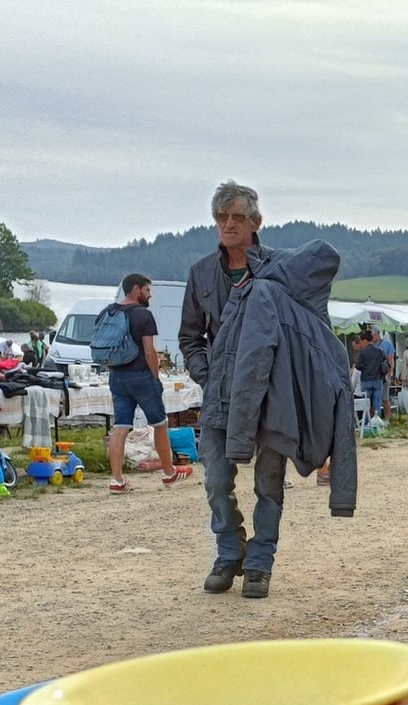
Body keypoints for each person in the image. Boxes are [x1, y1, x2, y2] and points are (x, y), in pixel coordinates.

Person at [180, 179, 283, 599]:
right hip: (220, 394)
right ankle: (229, 550)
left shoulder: (278, 270)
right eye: (222, 217)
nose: (229, 225)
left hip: (271, 395)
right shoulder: (201, 273)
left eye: (237, 217)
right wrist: (207, 373)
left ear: (256, 222)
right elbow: (189, 337)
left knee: (269, 483)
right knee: (217, 479)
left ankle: (260, 563)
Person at [105, 273, 187, 494]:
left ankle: (117, 480)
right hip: (141, 375)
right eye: (147, 290)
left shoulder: (109, 312)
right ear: (135, 289)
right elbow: (150, 351)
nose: (149, 294)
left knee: (120, 427)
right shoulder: (143, 315)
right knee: (159, 423)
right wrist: (156, 377)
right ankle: (169, 473)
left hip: (116, 376)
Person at [355, 327, 391, 424]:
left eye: (362, 341)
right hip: (378, 380)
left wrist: (365, 368)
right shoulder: (380, 351)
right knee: (377, 404)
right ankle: (376, 424)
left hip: (366, 380)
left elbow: (358, 366)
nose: (361, 343)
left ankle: (366, 424)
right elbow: (387, 364)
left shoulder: (362, 352)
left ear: (365, 340)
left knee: (366, 404)